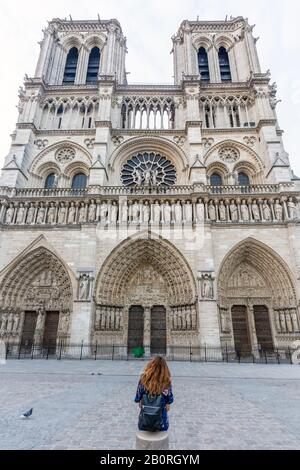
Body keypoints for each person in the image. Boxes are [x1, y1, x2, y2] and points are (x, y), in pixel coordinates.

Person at [134, 356, 174, 432]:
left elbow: (138, 399)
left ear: (150, 365)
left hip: (145, 421)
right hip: (161, 423)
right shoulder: (166, 381)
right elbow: (169, 402)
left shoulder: (143, 379)